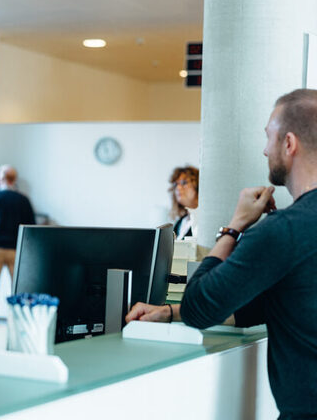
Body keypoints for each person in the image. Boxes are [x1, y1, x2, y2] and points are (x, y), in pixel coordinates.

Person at [126, 89, 317, 419]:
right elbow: (266, 305)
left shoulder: (283, 230)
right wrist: (170, 312)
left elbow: (200, 306)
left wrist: (235, 226)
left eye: (268, 136)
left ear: (289, 144)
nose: (263, 149)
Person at [0, 165, 35, 323]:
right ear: (15, 179)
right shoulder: (23, 200)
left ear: (0, 179)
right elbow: (30, 227)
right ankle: (16, 319)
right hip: (15, 251)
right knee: (16, 288)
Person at [169, 165, 199, 239]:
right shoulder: (180, 223)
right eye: (176, 184)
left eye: (184, 182)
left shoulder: (204, 221)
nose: (178, 188)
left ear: (197, 185)